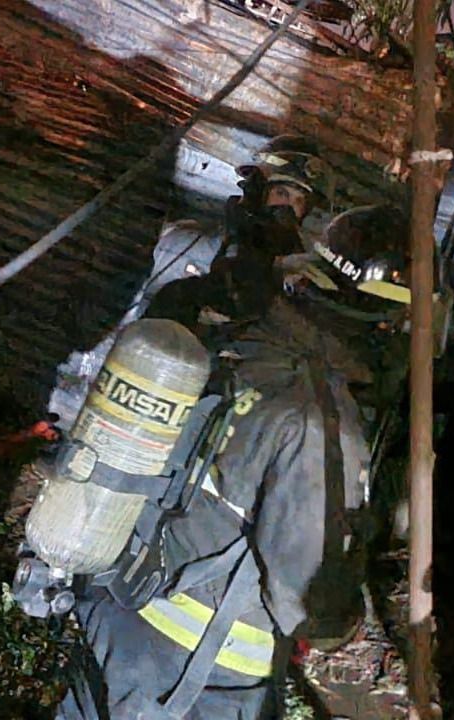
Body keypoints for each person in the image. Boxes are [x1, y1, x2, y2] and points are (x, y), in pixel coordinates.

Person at [53, 204, 412, 720]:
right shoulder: (319, 421)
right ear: (386, 321)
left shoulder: (235, 344)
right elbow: (306, 592)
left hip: (116, 615)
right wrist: (343, 622)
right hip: (197, 674)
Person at [47, 134, 330, 428]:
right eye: (282, 193)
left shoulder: (288, 289)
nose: (288, 209)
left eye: (299, 202)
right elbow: (119, 317)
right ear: (258, 188)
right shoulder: (184, 242)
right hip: (92, 397)